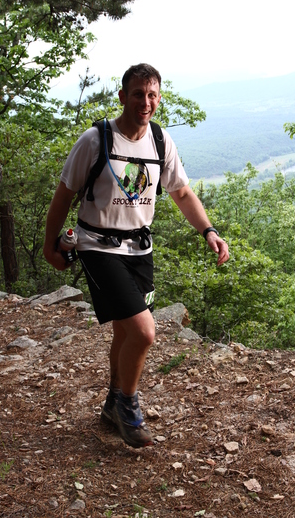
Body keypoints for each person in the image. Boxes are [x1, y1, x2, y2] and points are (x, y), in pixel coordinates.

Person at [43, 63, 229, 448]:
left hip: (140, 249)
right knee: (144, 332)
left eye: (152, 95)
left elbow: (181, 192)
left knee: (125, 330)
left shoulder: (160, 141)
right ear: (122, 97)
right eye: (138, 94)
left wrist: (208, 230)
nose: (145, 102)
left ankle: (112, 403)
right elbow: (64, 194)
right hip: (97, 246)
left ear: (159, 98)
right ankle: (128, 404)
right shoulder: (95, 140)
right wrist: (50, 244)